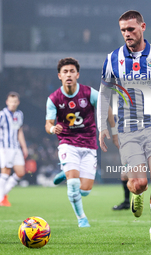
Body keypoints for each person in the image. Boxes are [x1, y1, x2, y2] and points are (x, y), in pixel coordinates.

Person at [98, 10, 151, 243]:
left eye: (131, 29)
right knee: (139, 184)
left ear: (143, 26)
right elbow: (103, 95)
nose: (127, 34)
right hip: (127, 129)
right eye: (123, 30)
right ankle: (135, 193)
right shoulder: (113, 58)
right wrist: (103, 124)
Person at [45, 57, 98, 228]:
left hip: (89, 144)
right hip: (67, 142)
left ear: (77, 75)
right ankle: (82, 218)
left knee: (85, 191)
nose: (68, 74)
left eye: (72, 71)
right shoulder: (54, 98)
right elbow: (48, 124)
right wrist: (53, 129)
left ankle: (65, 172)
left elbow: (106, 106)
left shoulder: (89, 93)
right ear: (59, 76)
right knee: (74, 184)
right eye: (65, 72)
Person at [0, 92, 28, 207]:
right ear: (7, 102)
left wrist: (24, 147)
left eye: (15, 102)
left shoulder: (19, 114)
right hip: (5, 147)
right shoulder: (2, 114)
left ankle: (3, 193)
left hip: (16, 147)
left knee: (20, 172)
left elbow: (20, 131)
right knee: (6, 172)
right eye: (11, 101)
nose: (13, 104)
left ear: (18, 103)